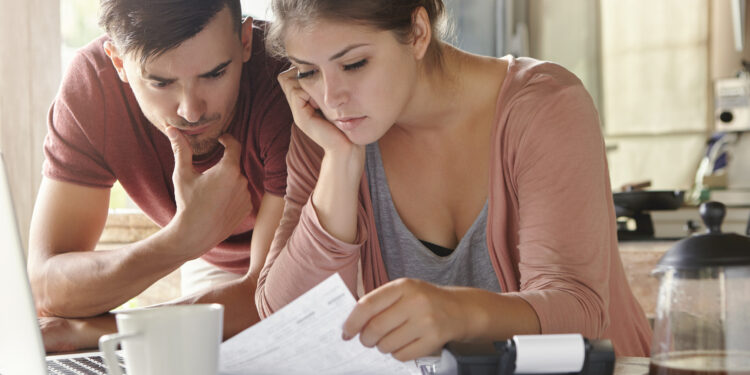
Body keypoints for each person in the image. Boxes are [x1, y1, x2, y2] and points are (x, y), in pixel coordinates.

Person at [255, 0, 652, 360]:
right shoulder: (326, 135)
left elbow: (578, 311)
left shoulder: (545, 108)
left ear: (417, 33)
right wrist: (340, 162)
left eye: (354, 64)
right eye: (307, 72)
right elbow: (284, 321)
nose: (331, 97)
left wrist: (456, 314)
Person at [28, 0, 292, 351]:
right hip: (211, 262)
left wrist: (96, 333)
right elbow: (48, 288)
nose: (191, 110)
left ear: (245, 41)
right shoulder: (93, 85)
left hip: (309, 269)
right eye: (161, 82)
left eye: (214, 74)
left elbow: (269, 298)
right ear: (119, 62)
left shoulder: (284, 78)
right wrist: (183, 239)